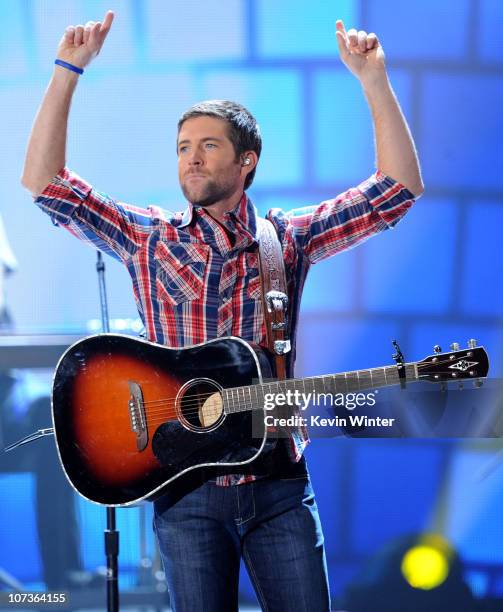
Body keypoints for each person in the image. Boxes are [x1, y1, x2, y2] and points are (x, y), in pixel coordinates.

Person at [21, 11, 424, 612]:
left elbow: (397, 189)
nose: (192, 158)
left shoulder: (285, 240)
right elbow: (44, 184)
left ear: (247, 161)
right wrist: (66, 73)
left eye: (209, 146)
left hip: (279, 486)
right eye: (184, 147)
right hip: (184, 493)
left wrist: (373, 79)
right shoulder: (148, 238)